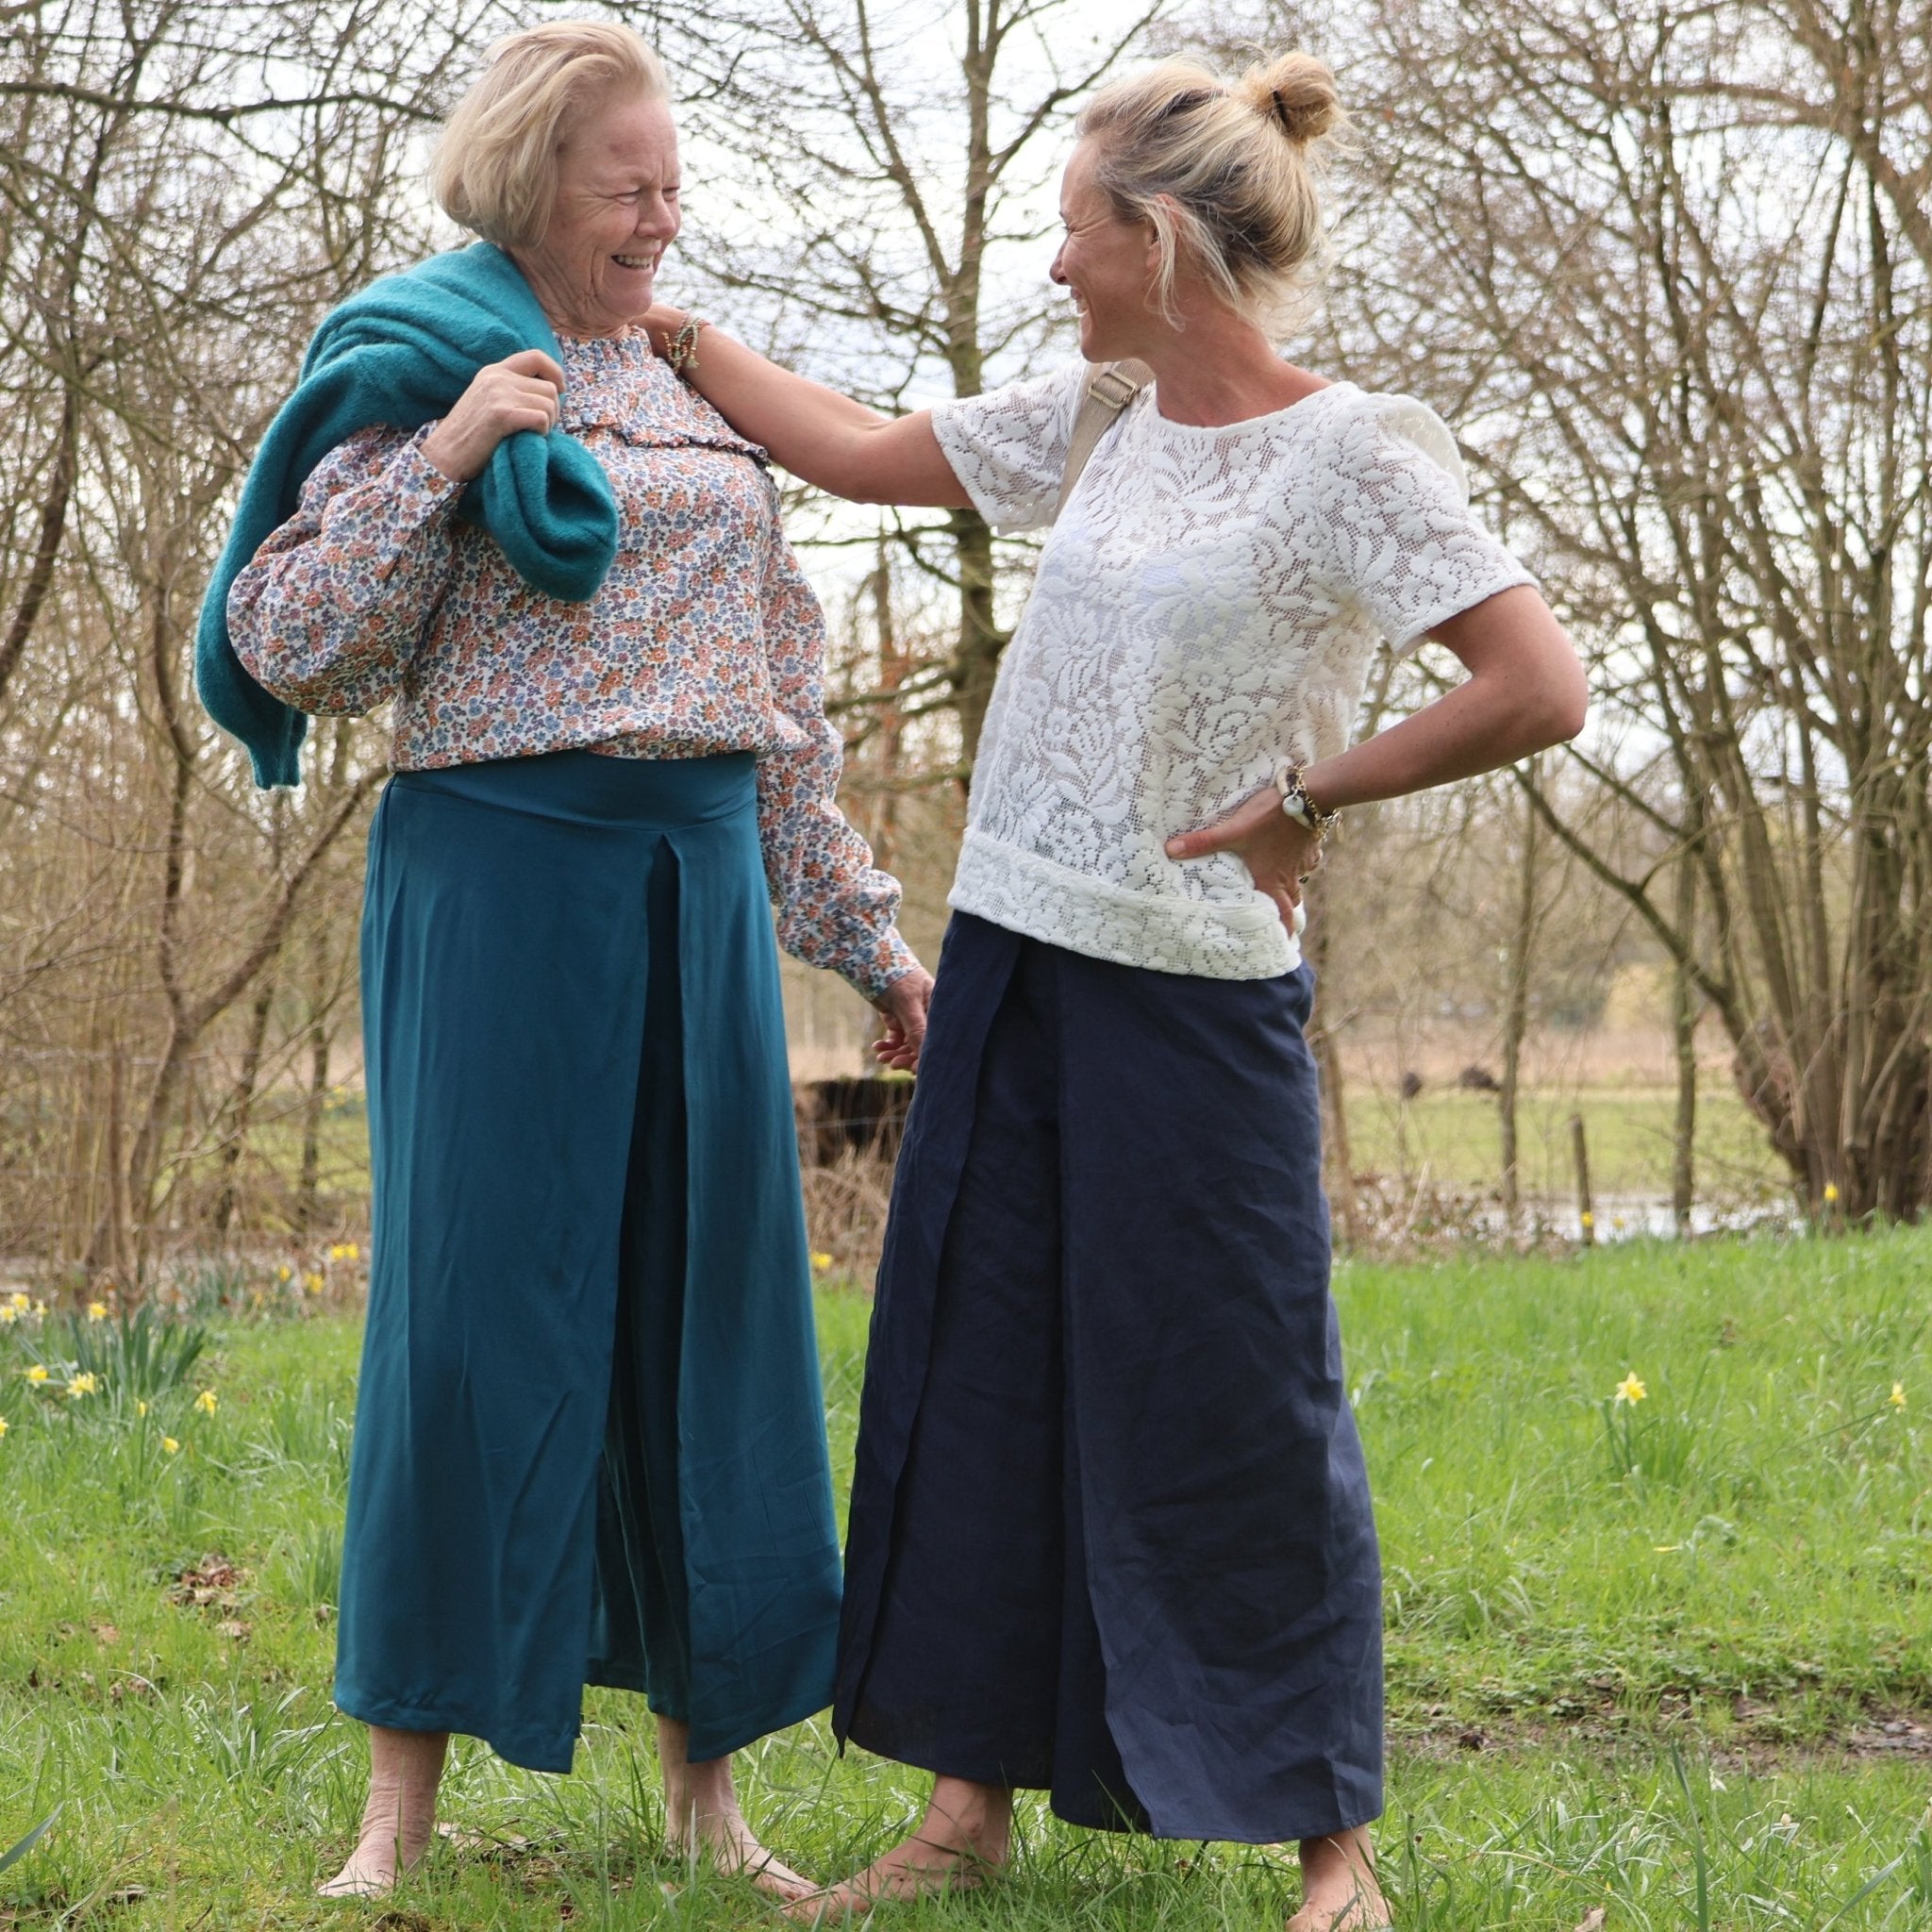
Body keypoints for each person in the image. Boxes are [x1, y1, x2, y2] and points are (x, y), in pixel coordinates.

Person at [640, 47, 1588, 1932]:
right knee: (977, 1374)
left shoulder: (1350, 455)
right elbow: (856, 449)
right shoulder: (1099, 416)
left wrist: (1312, 795)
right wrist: (666, 332)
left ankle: (1333, 1854)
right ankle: (962, 1810)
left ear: (1160, 241)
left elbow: (1535, 684)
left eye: (1075, 232)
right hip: (1010, 957)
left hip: (1196, 991)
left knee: (1238, 1396)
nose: (1056, 266)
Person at [205, 20, 931, 1902]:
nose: (661, 217)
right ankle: (398, 1809)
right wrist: (453, 451)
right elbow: (292, 643)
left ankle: (710, 1796)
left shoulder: (698, 388)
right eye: (630, 187)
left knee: (714, 1323)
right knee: (471, 1326)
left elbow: (778, 714)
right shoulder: (415, 364)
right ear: (535, 183)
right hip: (499, 883)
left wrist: (869, 943)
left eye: (675, 186)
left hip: (699, 882)